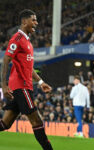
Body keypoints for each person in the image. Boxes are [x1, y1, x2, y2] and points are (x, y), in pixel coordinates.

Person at [1, 9, 53, 150]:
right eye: (33, 20)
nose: (36, 23)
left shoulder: (27, 41)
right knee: (37, 121)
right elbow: (6, 59)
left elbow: (28, 69)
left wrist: (41, 82)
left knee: (5, 124)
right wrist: (4, 85)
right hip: (21, 87)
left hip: (23, 86)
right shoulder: (17, 39)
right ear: (24, 22)